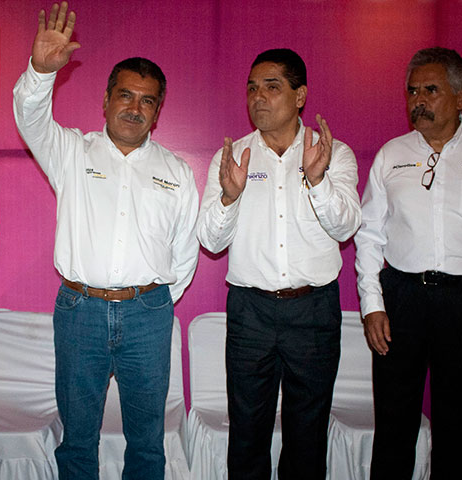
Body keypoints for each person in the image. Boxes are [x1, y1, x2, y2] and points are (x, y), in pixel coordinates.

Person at [12, 3, 199, 479]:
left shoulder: (177, 172)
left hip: (148, 315)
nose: (135, 108)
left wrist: (152, 300)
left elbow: (185, 251)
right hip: (80, 312)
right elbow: (30, 118)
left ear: (157, 111)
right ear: (106, 100)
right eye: (125, 95)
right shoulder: (71, 151)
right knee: (78, 439)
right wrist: (40, 72)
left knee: (148, 441)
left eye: (147, 101)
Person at [354, 47, 462, 480]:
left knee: (459, 428)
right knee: (393, 427)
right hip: (402, 300)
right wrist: (372, 305)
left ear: (461, 96)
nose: (418, 100)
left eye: (430, 90)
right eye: (412, 91)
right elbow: (369, 235)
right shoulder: (391, 155)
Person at [196, 48, 361, 479]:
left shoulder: (333, 153)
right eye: (252, 88)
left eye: (272, 87)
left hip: (314, 310)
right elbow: (210, 241)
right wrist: (229, 197)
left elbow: (347, 227)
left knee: (308, 432)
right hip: (250, 311)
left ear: (300, 95)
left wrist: (318, 180)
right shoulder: (232, 157)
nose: (258, 97)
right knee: (247, 430)